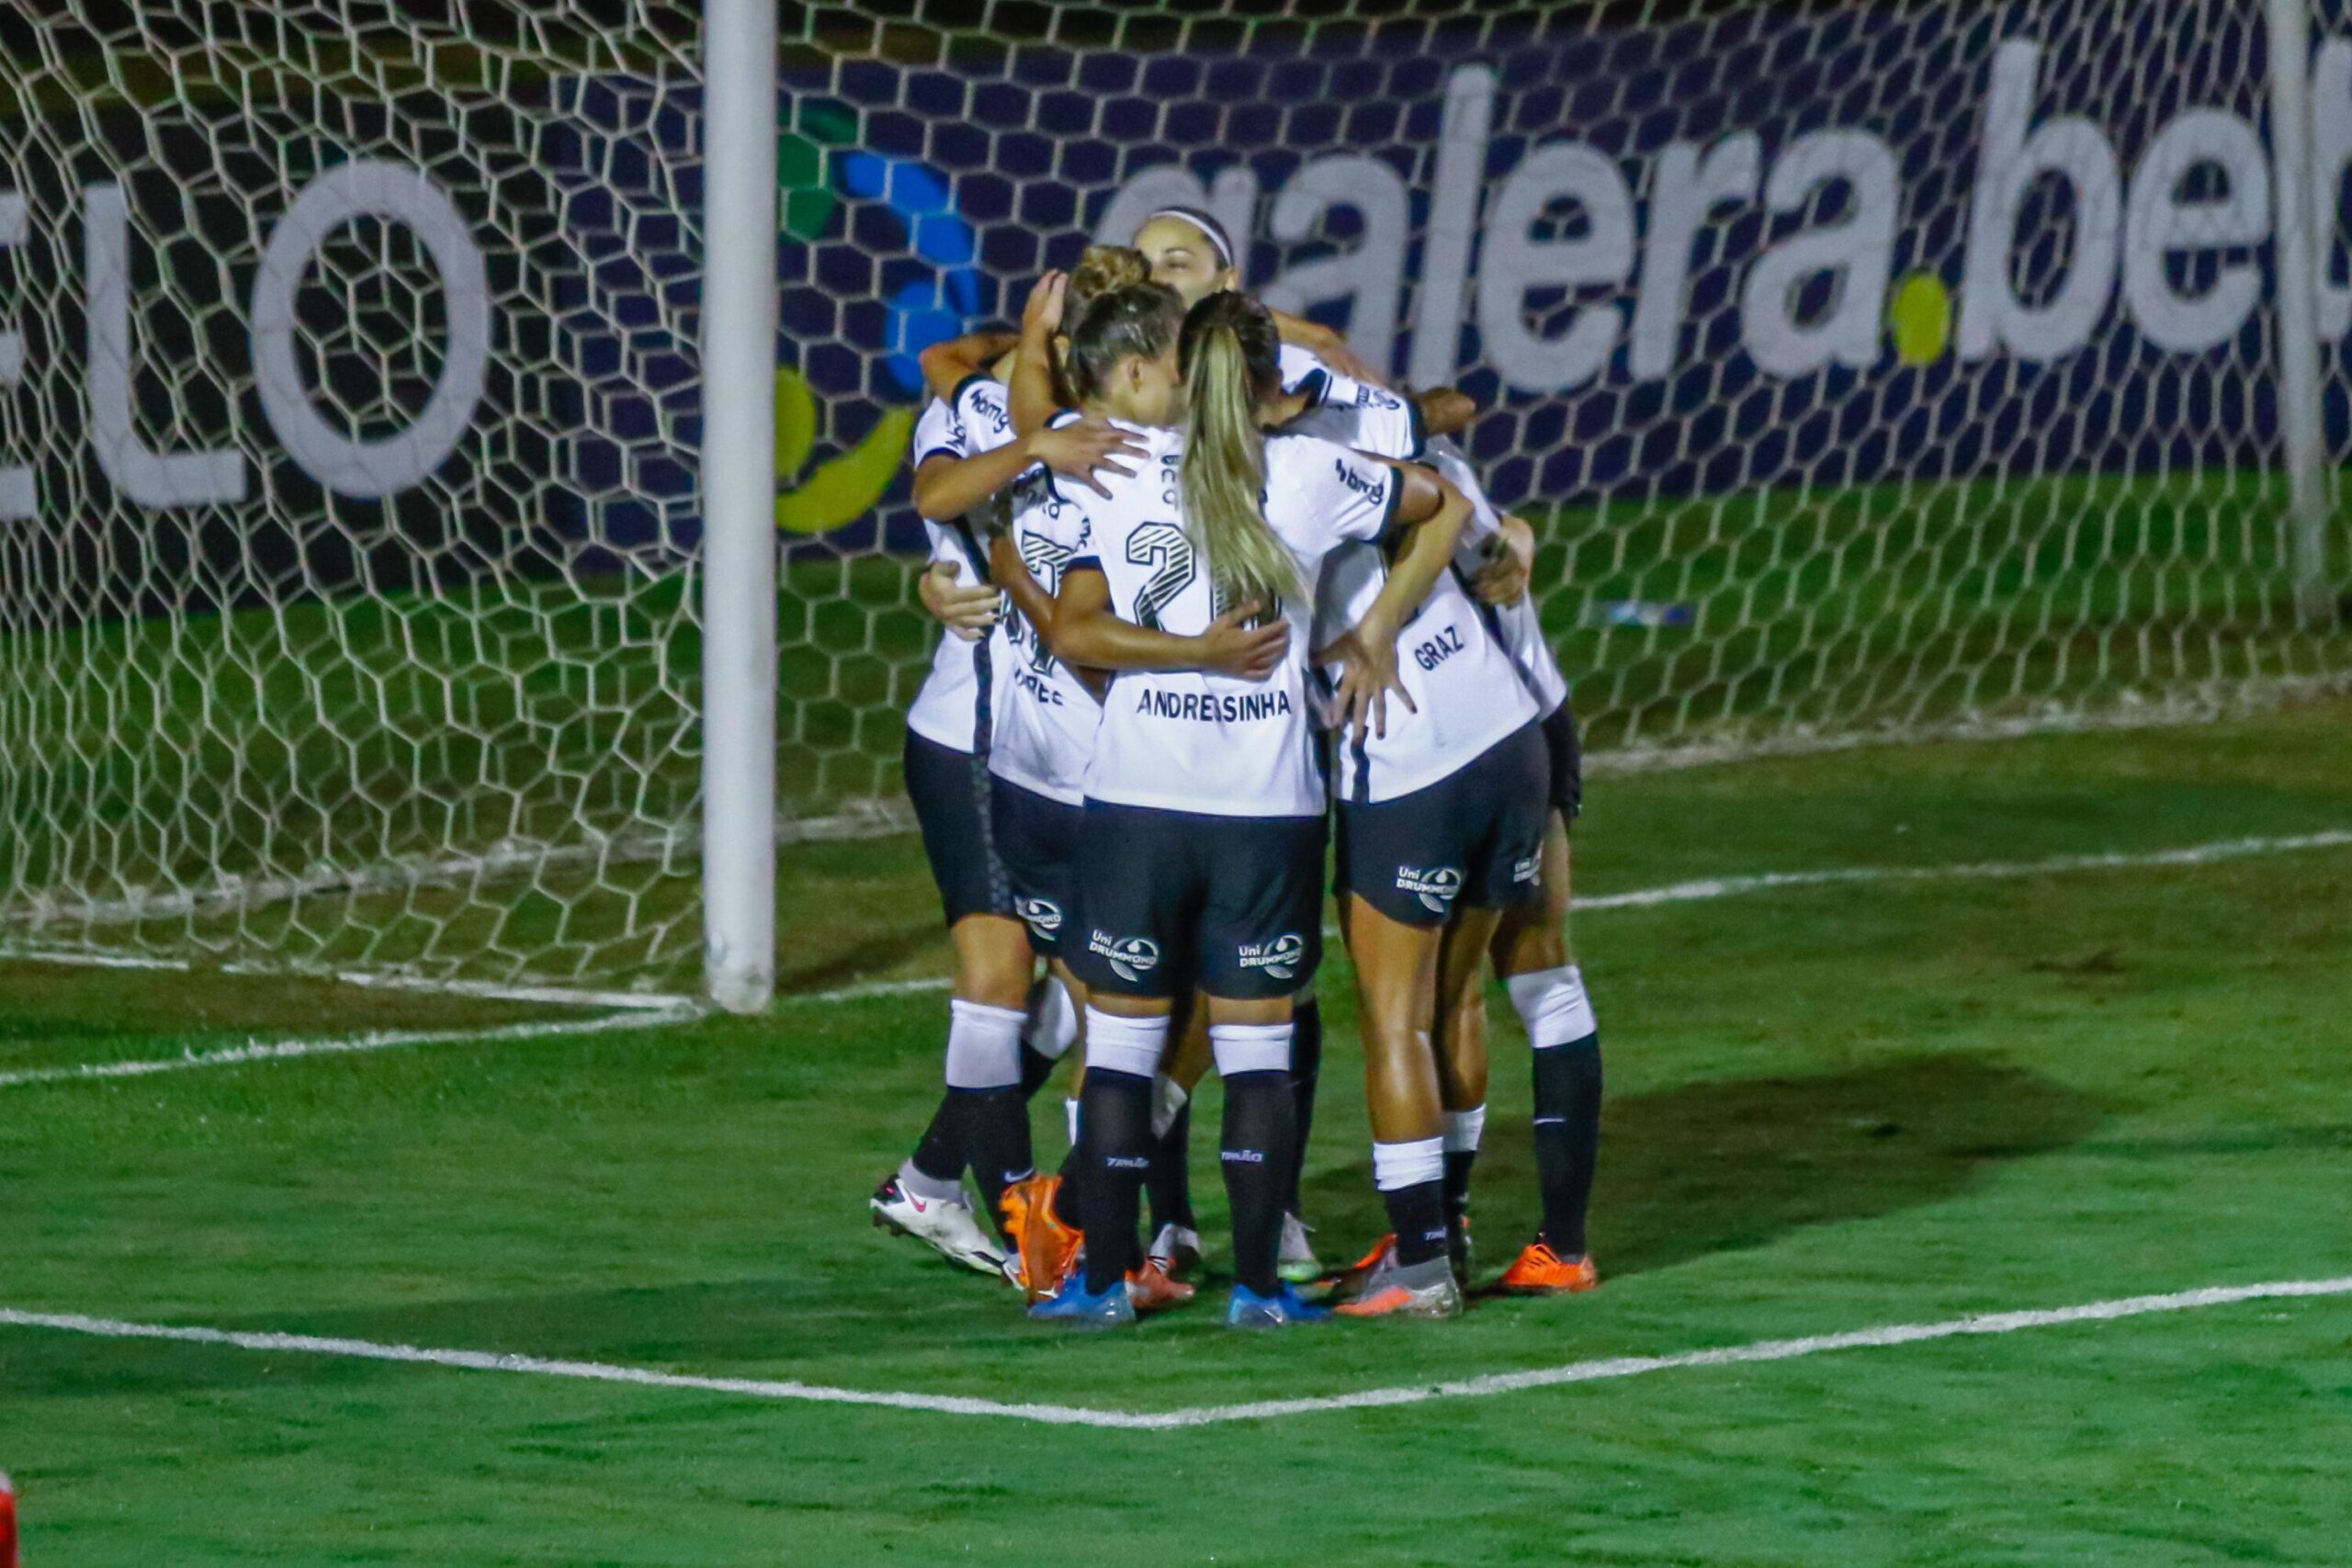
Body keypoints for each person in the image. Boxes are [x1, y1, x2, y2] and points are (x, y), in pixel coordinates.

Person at [1030, 284, 1471, 1329]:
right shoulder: (1312, 472)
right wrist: (1375, 630)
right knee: (1257, 1052)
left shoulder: (1119, 469)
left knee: (1125, 1050)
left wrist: (1182, 654)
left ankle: (1101, 1282)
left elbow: (1075, 634)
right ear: (1264, 382)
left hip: (1134, 799)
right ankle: (1263, 1292)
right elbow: (1439, 497)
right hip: (1263, 808)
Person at [865, 317, 1143, 1278]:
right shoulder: (981, 410)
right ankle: (1036, 1226)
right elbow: (936, 486)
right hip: (976, 743)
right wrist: (1027, 446)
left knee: (1078, 1005)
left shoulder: (1122, 432)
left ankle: (934, 1180)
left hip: (1084, 760)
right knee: (1000, 978)